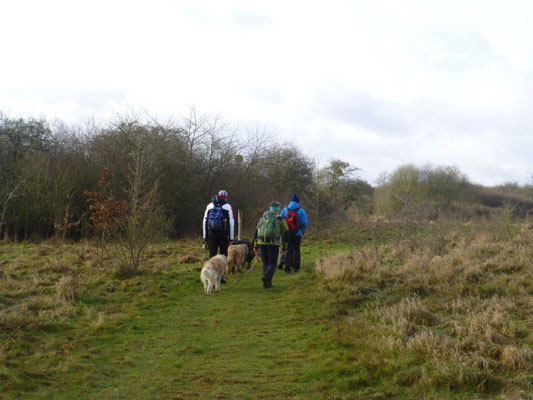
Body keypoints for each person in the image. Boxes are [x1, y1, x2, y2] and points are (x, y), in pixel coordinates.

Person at [253, 201, 288, 289]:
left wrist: (255, 245)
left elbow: (256, 232)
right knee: (272, 263)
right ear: (278, 209)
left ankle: (268, 283)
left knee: (266, 263)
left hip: (261, 243)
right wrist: (284, 247)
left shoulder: (263, 218)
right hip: (273, 243)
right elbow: (285, 233)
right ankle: (267, 277)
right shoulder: (280, 219)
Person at [280, 194, 308, 273]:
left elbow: (281, 219)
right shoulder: (301, 211)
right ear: (298, 202)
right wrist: (301, 229)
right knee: (296, 250)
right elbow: (305, 223)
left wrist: (284, 229)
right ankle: (296, 268)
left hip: (287, 233)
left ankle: (287, 268)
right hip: (297, 233)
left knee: (289, 250)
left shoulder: (285, 209)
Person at [202, 190, 235, 259]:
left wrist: (205, 236)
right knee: (223, 256)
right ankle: (222, 269)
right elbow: (231, 223)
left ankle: (212, 269)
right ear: (226, 198)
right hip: (223, 234)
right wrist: (231, 238)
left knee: (212, 256)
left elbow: (205, 221)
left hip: (211, 234)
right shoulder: (228, 206)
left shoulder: (210, 206)